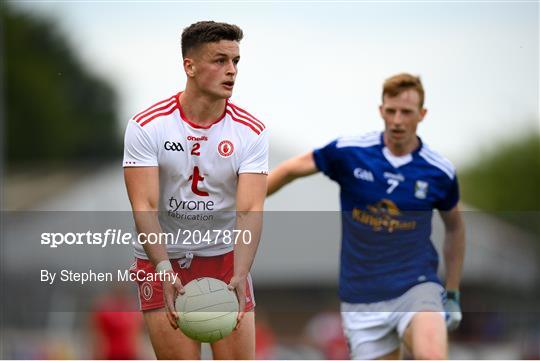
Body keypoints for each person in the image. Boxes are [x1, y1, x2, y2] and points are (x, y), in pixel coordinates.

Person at [267, 73, 465, 360]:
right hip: (361, 298)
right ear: (381, 111)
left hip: (416, 286)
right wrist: (241, 203)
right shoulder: (350, 152)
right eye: (391, 111)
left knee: (431, 355)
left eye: (406, 112)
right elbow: (291, 169)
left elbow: (456, 228)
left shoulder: (439, 171)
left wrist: (453, 292)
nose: (397, 120)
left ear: (421, 115)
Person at [123, 21, 268, 359]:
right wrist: (163, 270)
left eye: (236, 61)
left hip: (224, 260)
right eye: (220, 60)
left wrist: (241, 272)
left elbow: (249, 210)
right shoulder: (147, 126)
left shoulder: (251, 131)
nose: (231, 70)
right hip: (162, 260)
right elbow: (143, 205)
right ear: (189, 65)